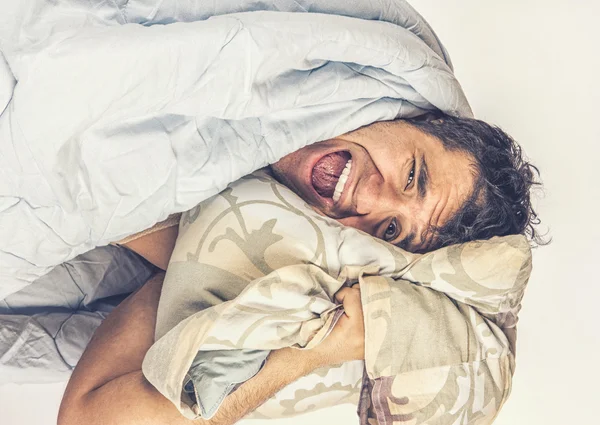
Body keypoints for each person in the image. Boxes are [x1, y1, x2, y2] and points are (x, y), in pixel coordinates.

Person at [57, 114, 542, 425]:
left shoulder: (264, 259)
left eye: (391, 231)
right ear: (413, 117)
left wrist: (317, 350)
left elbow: (88, 420)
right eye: (412, 174)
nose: (367, 200)